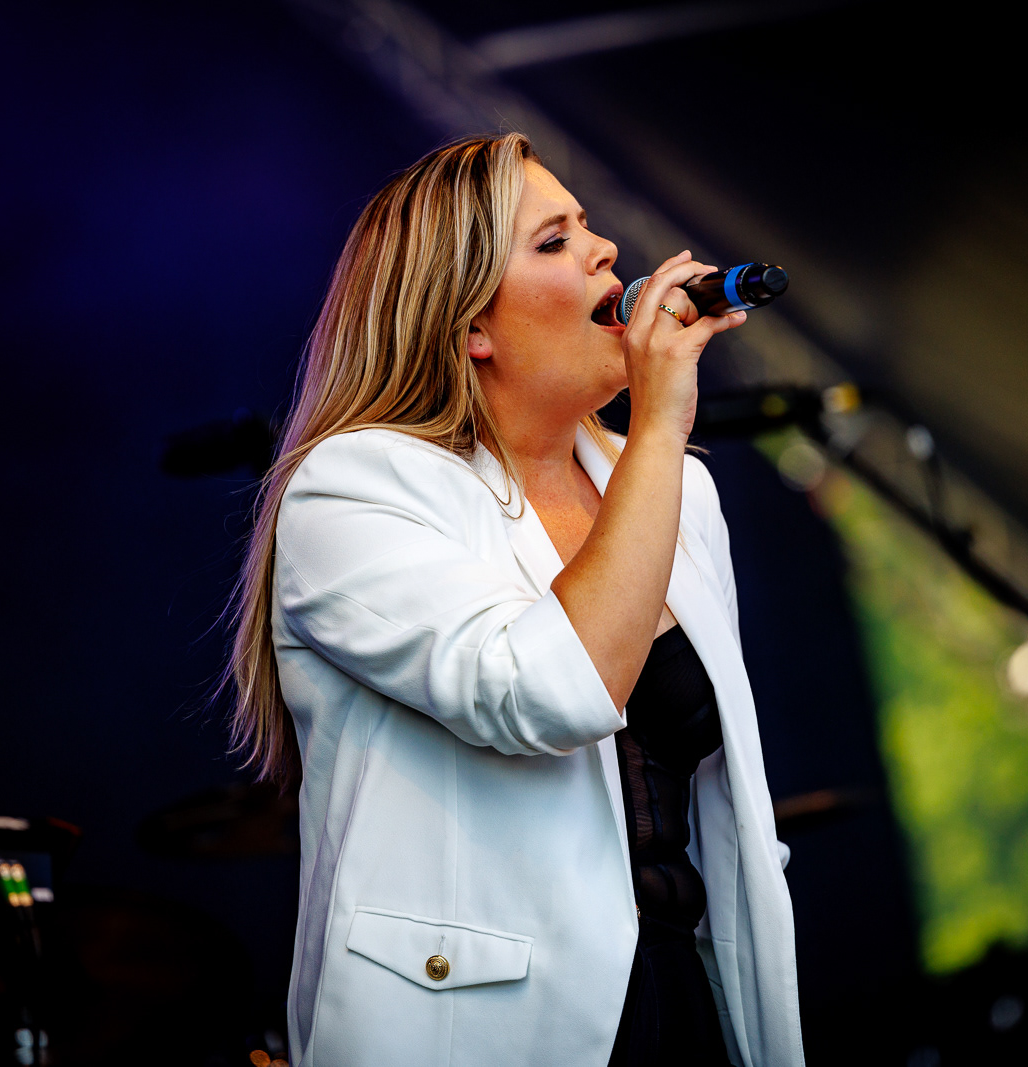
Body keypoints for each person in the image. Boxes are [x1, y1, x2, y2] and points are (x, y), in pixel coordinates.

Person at [225, 133, 803, 1067]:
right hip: (483, 1027)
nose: (606, 250)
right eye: (554, 240)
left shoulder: (678, 492)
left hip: (683, 996)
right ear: (471, 329)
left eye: (589, 225)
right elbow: (546, 694)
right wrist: (661, 422)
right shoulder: (354, 488)